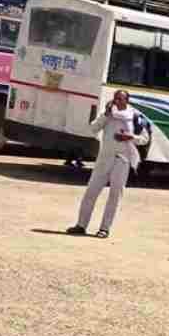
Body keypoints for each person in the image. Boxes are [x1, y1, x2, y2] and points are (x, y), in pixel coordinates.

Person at [66, 89, 149, 239]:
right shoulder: (109, 115)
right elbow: (92, 128)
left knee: (115, 195)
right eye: (115, 98)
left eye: (120, 99)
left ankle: (104, 228)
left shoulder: (135, 117)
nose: (116, 101)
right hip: (104, 159)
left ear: (126, 101)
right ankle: (81, 225)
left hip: (122, 160)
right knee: (91, 192)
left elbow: (145, 138)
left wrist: (130, 137)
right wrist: (105, 115)